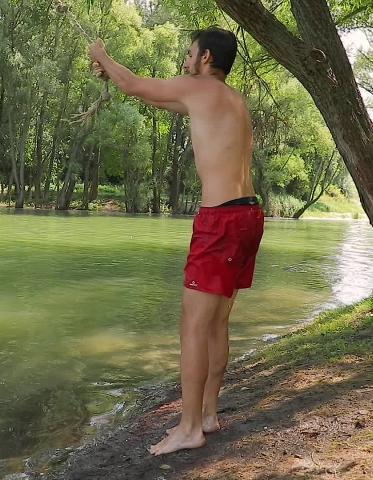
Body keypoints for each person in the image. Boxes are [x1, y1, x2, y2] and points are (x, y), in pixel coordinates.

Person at [88, 26, 265, 456]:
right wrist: (111, 73)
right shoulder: (232, 100)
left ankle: (188, 429)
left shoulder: (199, 87)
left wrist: (102, 54)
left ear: (206, 59)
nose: (185, 63)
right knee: (217, 322)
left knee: (192, 326)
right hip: (248, 215)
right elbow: (150, 96)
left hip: (220, 221)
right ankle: (206, 414)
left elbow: (134, 84)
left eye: (190, 55)